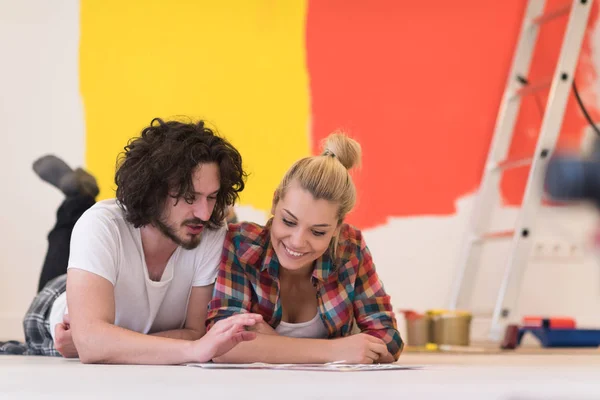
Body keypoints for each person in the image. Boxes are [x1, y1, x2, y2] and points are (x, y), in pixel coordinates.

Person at [23, 118, 261, 364]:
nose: (205, 213)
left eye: (212, 197)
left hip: (108, 302)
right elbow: (91, 346)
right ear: (152, 191)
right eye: (190, 197)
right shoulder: (102, 224)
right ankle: (77, 199)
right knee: (79, 234)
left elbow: (195, 333)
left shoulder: (211, 231)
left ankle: (78, 195)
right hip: (59, 308)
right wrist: (193, 350)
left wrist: (107, 340)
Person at [206, 132, 403, 364]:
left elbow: (389, 338)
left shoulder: (350, 249)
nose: (298, 241)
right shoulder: (241, 245)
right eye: (288, 221)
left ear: (337, 226)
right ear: (275, 201)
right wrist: (336, 351)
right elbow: (222, 346)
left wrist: (270, 342)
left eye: (318, 232)